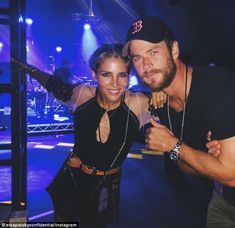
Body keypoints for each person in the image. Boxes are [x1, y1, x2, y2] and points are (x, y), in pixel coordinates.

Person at [12, 44, 166, 228]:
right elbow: (54, 84)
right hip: (71, 177)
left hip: (105, 185)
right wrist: (31, 69)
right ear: (95, 74)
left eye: (122, 75)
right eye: (106, 74)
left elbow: (180, 104)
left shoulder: (138, 104)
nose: (115, 84)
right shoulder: (81, 95)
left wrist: (162, 89)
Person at [123, 16, 235, 227]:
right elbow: (184, 166)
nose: (146, 65)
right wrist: (203, 158)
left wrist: (173, 145)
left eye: (153, 52)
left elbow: (230, 174)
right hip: (220, 202)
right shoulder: (162, 104)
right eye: (137, 58)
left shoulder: (218, 87)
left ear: (174, 50)